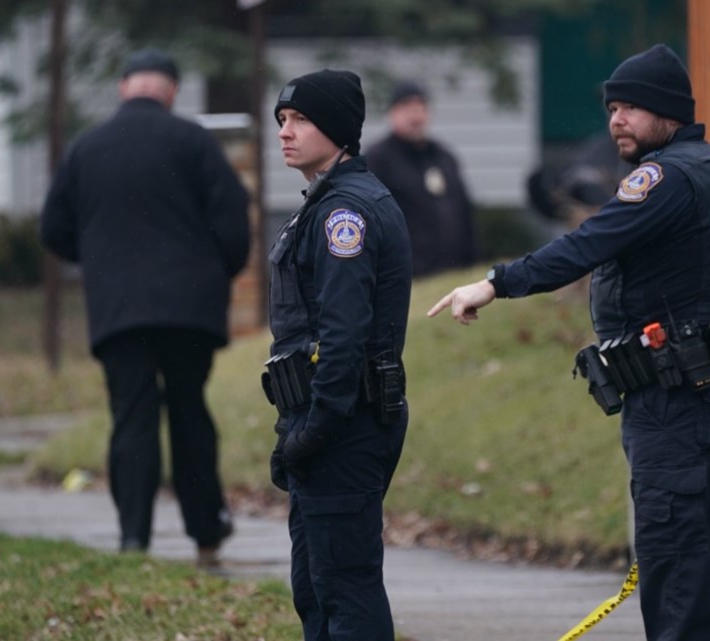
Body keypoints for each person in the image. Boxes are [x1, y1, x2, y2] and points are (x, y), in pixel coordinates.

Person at [428, 44, 710, 641]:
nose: (616, 120)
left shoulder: (665, 177)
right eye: (612, 107)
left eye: (632, 107)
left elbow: (587, 244)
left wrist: (494, 283)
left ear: (669, 114)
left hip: (678, 406)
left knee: (678, 570)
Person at [39, 48, 251, 565]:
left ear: (123, 86)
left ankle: (134, 538)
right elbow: (233, 228)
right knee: (188, 412)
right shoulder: (195, 143)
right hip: (189, 309)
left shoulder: (86, 149)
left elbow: (53, 230)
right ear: (172, 90)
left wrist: (99, 262)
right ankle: (205, 532)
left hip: (118, 310)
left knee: (131, 416)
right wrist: (211, 273)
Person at [263, 68, 412, 641]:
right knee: (318, 589)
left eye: (301, 119)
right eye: (282, 120)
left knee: (345, 588)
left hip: (343, 426)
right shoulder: (328, 202)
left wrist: (314, 431)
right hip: (328, 421)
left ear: (339, 130)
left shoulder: (343, 215)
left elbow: (343, 340)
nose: (286, 131)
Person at [364, 80, 477, 278]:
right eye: (407, 107)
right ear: (392, 113)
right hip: (405, 275)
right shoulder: (378, 159)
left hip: (454, 272)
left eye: (421, 107)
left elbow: (464, 211)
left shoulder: (443, 156)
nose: (416, 116)